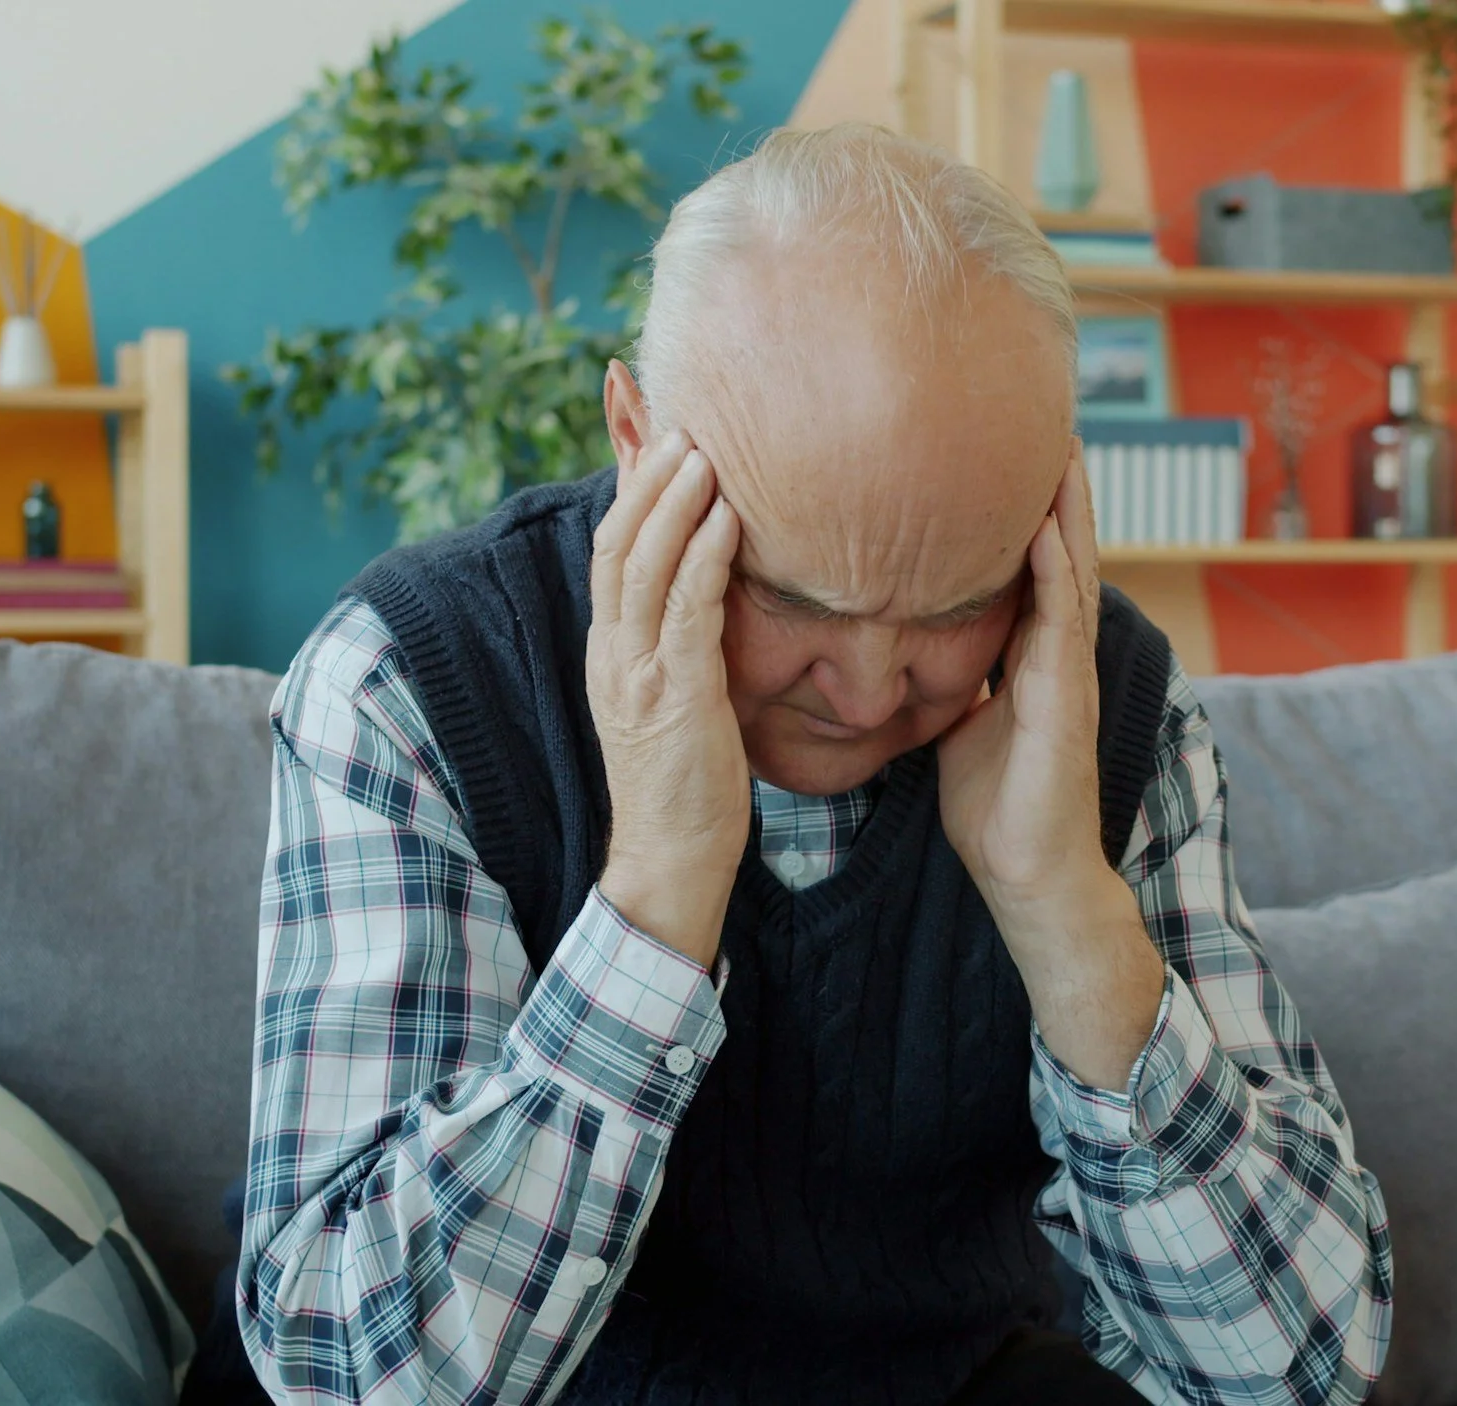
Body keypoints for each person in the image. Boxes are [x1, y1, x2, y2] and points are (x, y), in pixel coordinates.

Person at [232, 122, 1392, 1405]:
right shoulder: (408, 682)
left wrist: (1064, 906)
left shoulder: (1106, 705)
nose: (869, 688)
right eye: (789, 595)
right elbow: (353, 1378)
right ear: (634, 438)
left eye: (959, 605)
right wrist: (661, 890)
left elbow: (1297, 1372)